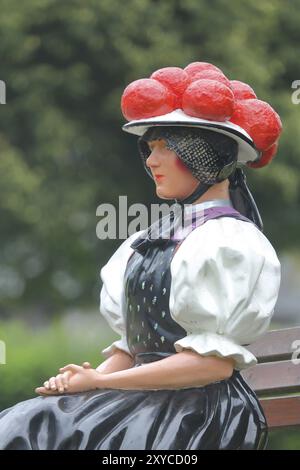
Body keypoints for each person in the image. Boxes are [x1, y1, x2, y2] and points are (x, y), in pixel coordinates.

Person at [0, 62, 282, 450]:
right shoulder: (146, 240)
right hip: (146, 398)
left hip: (196, 415)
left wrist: (100, 383)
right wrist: (80, 385)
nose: (151, 162)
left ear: (205, 157)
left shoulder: (228, 243)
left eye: (166, 148)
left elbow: (210, 365)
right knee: (32, 422)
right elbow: (134, 349)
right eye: (150, 149)